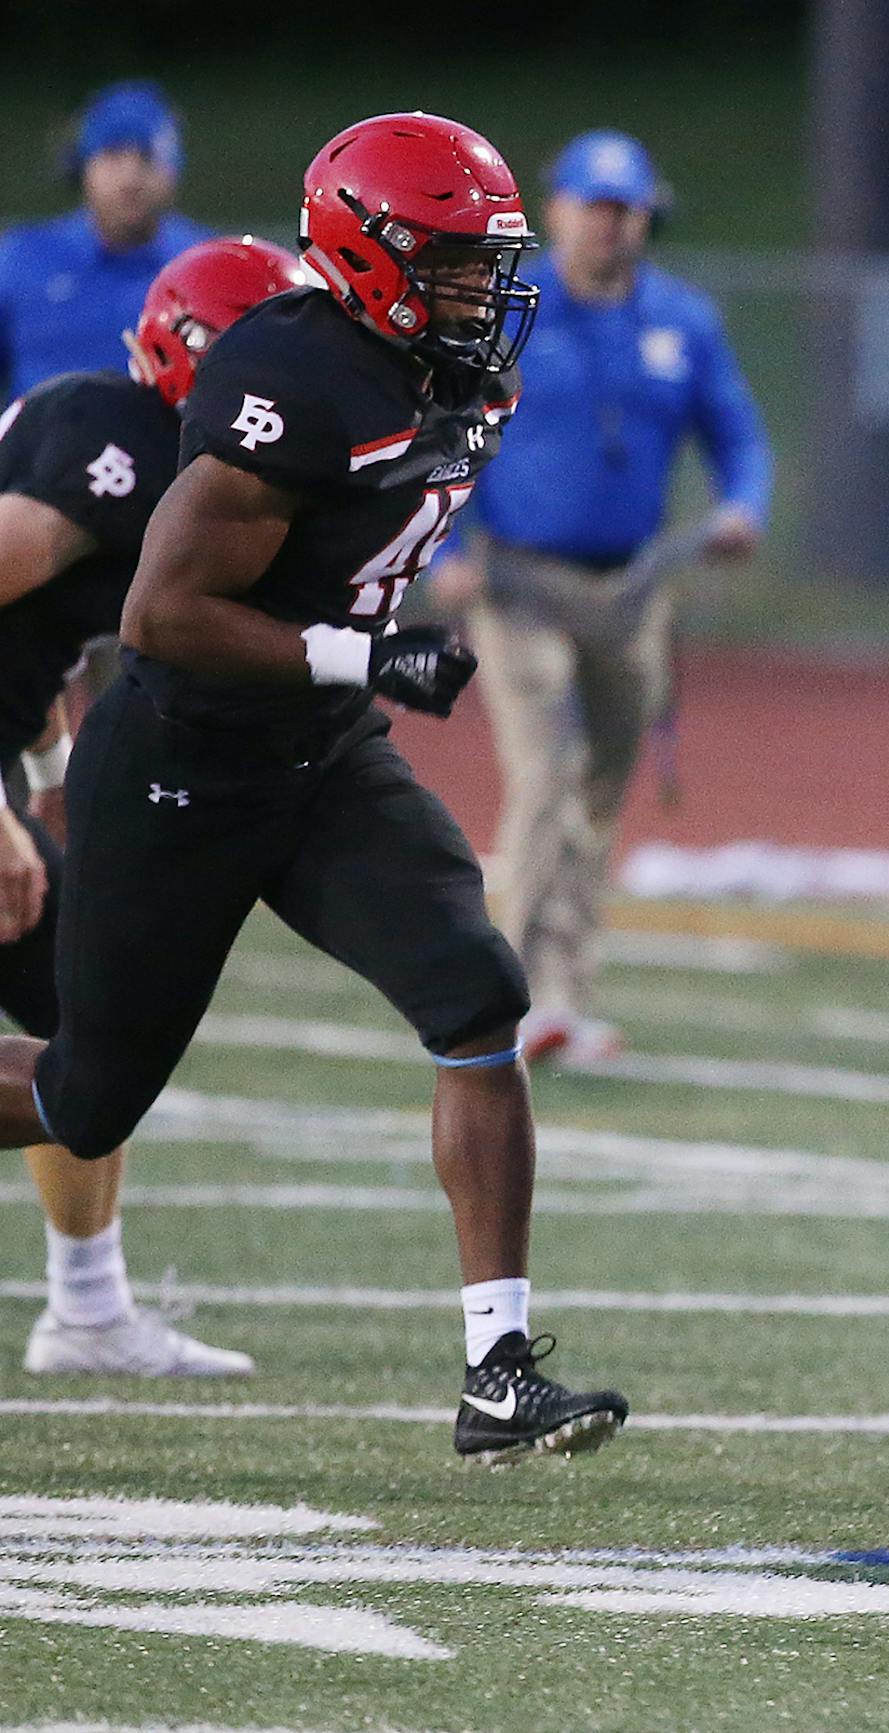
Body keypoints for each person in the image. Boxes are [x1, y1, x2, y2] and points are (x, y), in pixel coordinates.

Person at [0, 113, 628, 1464]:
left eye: (488, 264)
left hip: (326, 750)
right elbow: (166, 613)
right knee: (83, 1098)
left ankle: (497, 1369)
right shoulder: (283, 371)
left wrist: (361, 656)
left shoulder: (460, 372)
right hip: (182, 762)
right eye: (457, 264)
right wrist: (367, 648)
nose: (485, 291)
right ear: (371, 253)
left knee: (478, 994)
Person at [0, 235, 306, 1376]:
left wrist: (40, 778)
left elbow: (23, 645)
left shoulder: (148, 448)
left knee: (87, 1033)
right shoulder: (114, 440)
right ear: (193, 356)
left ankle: (86, 1307)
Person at [431, 130, 771, 1065]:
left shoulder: (683, 320)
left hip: (632, 582)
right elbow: (444, 428)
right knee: (544, 776)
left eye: (626, 210)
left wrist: (744, 507)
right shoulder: (509, 308)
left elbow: (738, 433)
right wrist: (447, 545)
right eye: (595, 206)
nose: (610, 226)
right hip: (518, 580)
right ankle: (521, 993)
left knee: (601, 786)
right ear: (557, 209)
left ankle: (568, 993)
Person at [0, 82, 209, 398]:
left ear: (173, 170)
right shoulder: (20, 261)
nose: (130, 177)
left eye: (147, 156)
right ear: (83, 166)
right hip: (38, 445)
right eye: (112, 155)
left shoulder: (207, 268)